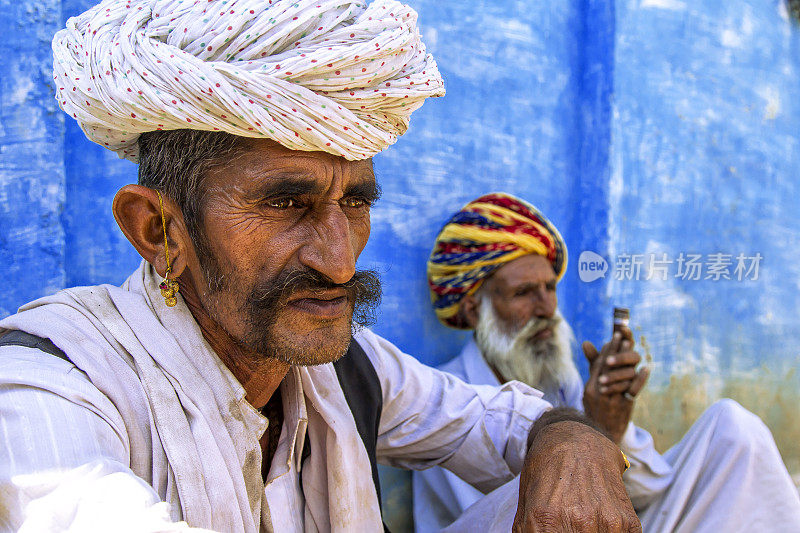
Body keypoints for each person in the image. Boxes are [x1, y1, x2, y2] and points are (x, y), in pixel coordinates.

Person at [0, 1, 641, 532]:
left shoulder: (347, 369)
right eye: (286, 204)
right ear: (159, 230)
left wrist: (569, 436)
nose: (339, 261)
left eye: (355, 202)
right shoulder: (51, 389)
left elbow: (498, 421)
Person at [413, 192, 800, 532]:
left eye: (550, 288)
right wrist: (592, 435)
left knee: (733, 429)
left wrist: (610, 428)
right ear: (473, 308)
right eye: (524, 292)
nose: (547, 308)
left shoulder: (557, 382)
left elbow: (647, 492)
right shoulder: (449, 400)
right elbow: (522, 516)